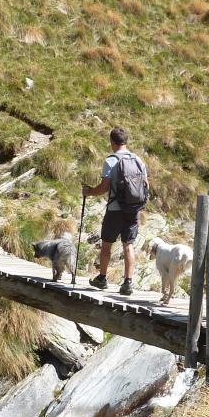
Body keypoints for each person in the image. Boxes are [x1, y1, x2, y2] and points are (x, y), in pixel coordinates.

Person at [82, 127, 149, 296]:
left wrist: (89, 192)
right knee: (129, 245)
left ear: (112, 141)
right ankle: (128, 283)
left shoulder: (111, 161)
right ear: (126, 141)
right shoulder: (138, 160)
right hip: (133, 209)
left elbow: (104, 188)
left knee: (107, 244)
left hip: (114, 209)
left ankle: (102, 278)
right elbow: (145, 184)